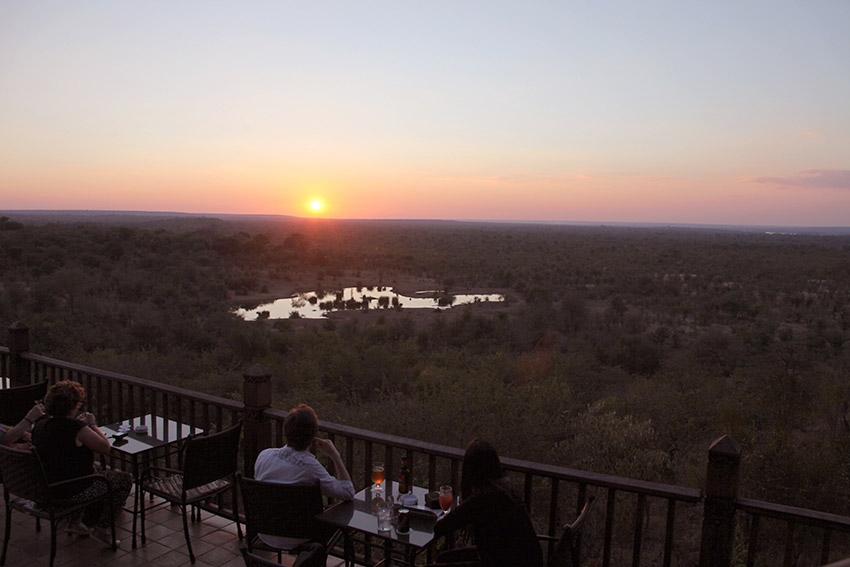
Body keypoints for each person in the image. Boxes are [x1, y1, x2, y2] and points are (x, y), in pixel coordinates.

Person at [31, 380, 132, 546]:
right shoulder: (76, 428)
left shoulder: (40, 425)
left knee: (96, 470)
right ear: (73, 405)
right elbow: (105, 447)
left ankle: (76, 522)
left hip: (47, 489)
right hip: (71, 492)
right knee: (124, 479)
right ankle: (102, 527)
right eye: (78, 403)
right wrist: (92, 425)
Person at [253, 403, 354, 549]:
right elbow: (347, 492)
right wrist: (335, 456)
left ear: (286, 431)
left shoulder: (264, 456)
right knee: (340, 512)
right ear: (312, 436)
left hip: (265, 531)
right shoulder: (311, 467)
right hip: (300, 536)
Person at [433, 438, 543, 567]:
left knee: (441, 561)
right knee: (444, 558)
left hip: (504, 561)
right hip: (529, 559)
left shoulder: (482, 499)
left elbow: (442, 526)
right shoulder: (507, 489)